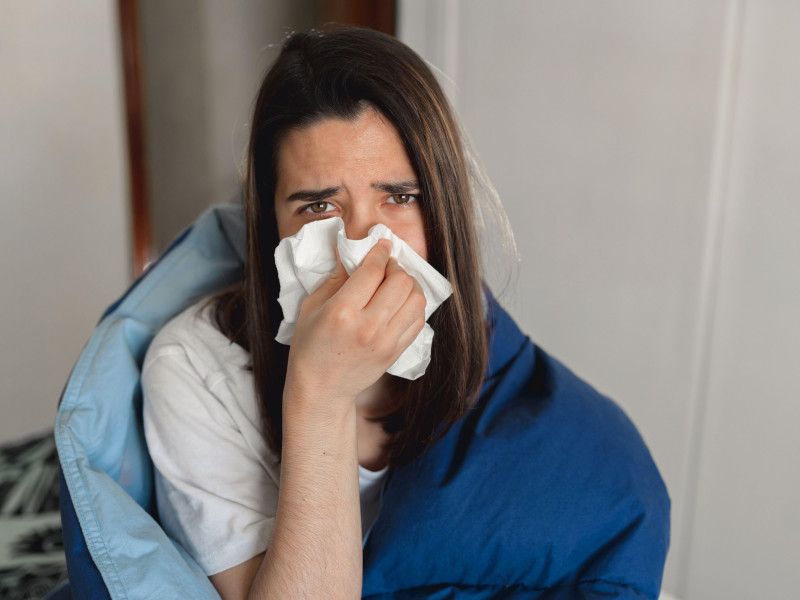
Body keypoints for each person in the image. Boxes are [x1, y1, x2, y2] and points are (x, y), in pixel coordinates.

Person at [142, 27, 669, 600]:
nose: (365, 242)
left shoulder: (521, 395)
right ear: (271, 225)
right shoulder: (195, 369)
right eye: (319, 205)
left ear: (443, 210)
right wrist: (320, 397)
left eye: (399, 197)